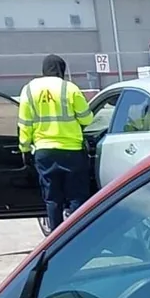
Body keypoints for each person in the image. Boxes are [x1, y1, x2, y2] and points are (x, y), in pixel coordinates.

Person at [17, 54, 95, 229]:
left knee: (52, 199)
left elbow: (24, 123)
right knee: (76, 196)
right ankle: (77, 234)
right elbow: (87, 119)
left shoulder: (29, 90)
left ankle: (56, 236)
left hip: (44, 152)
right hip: (72, 151)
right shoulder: (69, 88)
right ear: (62, 70)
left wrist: (25, 148)